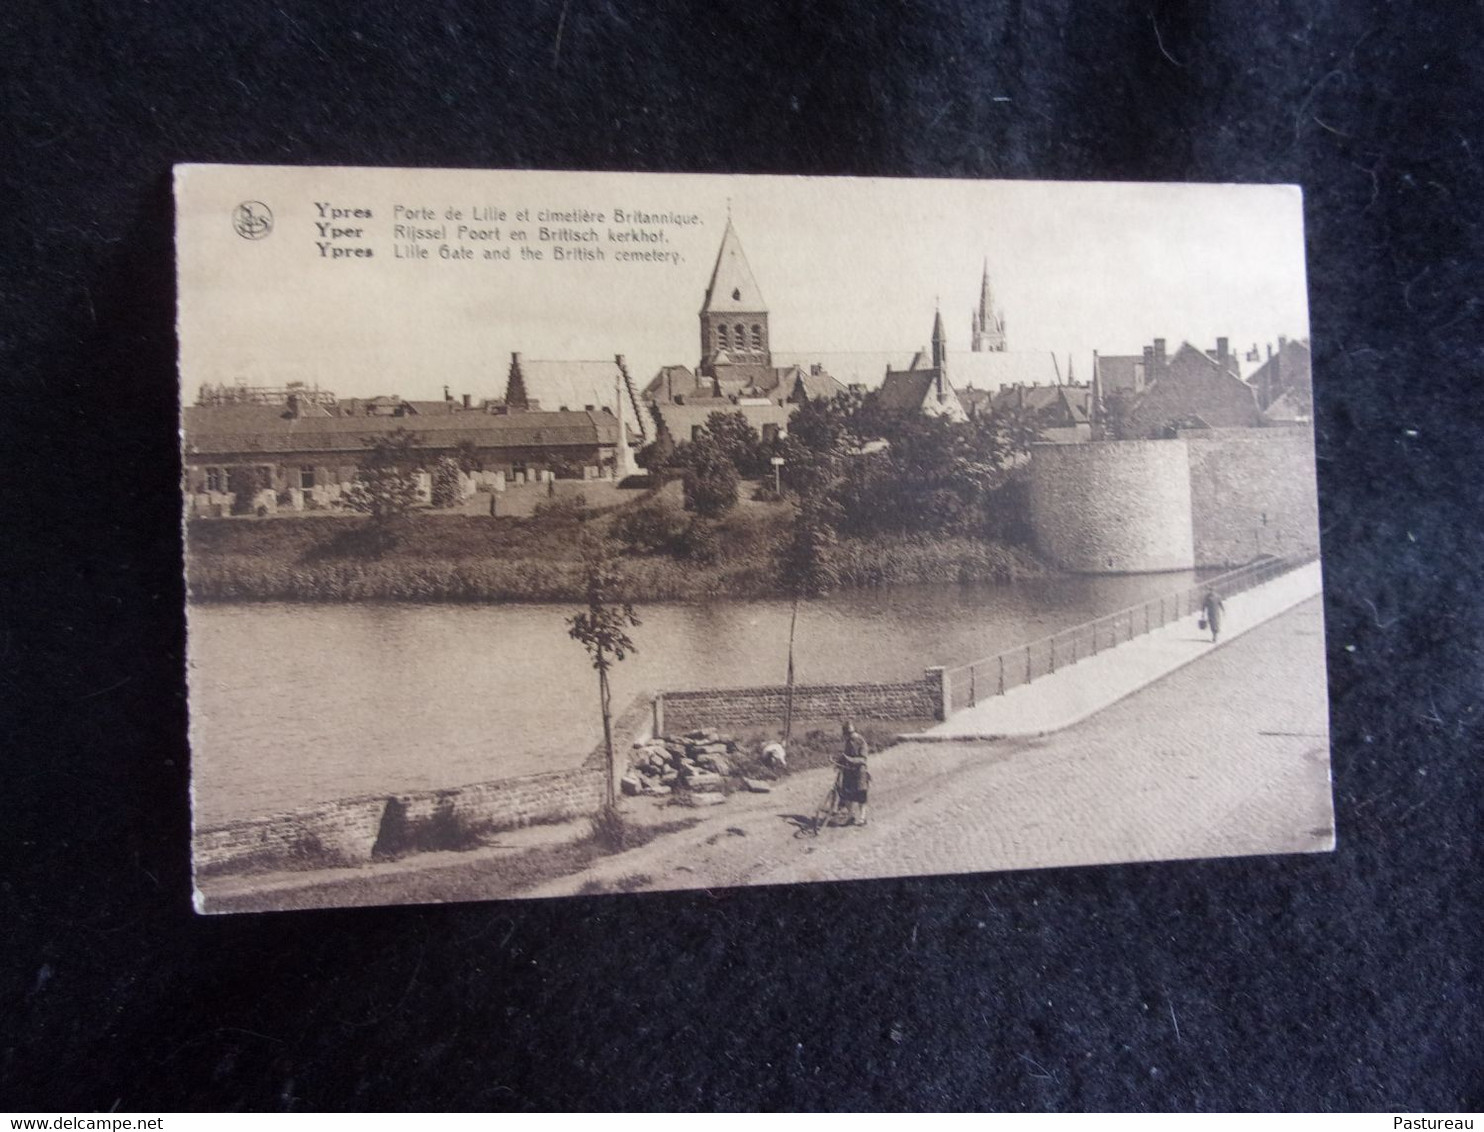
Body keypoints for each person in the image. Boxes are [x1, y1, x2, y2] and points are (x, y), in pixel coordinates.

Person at [837, 720, 871, 827]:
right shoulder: (849, 741)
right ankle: (851, 816)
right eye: (847, 734)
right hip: (849, 771)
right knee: (846, 795)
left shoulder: (861, 741)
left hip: (859, 772)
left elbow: (863, 760)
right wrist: (839, 762)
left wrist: (849, 759)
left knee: (861, 795)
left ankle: (862, 818)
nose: (849, 736)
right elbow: (846, 754)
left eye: (850, 734)